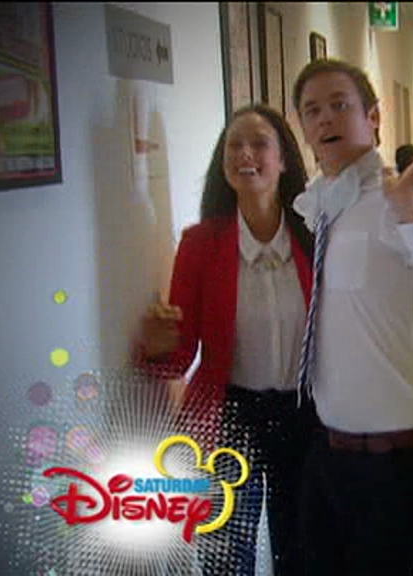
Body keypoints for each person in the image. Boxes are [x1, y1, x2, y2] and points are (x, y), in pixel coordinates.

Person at [290, 58, 413, 575]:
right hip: (326, 448)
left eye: (340, 105)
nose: (326, 119)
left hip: (392, 460)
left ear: (373, 117)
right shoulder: (319, 205)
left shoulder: (405, 198)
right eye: (312, 110)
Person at [136, 103, 314, 576]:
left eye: (259, 144)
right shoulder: (200, 244)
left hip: (306, 415)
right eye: (234, 145)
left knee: (302, 551)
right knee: (225, 556)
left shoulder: (315, 236)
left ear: (283, 160)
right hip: (230, 415)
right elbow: (179, 358)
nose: (244, 154)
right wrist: (155, 346)